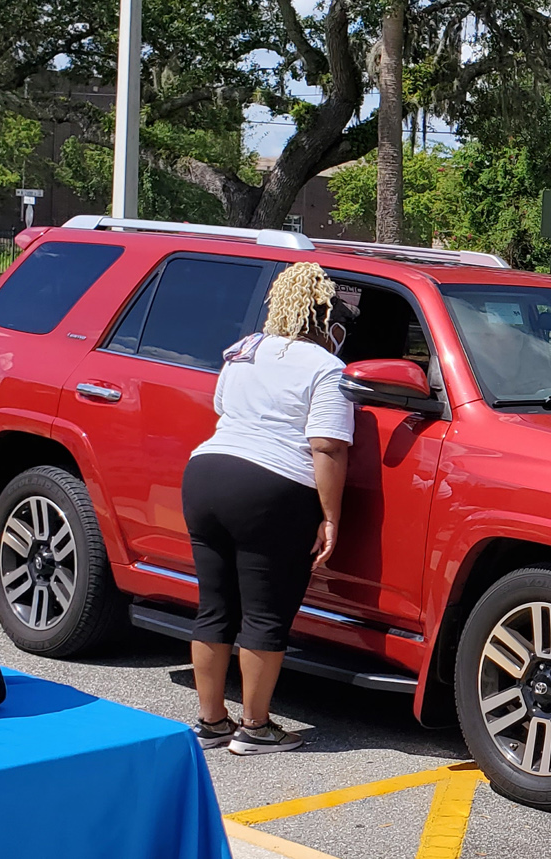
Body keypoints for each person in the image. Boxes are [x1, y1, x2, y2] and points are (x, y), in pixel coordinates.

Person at [184, 262, 355, 756]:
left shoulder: (242, 351)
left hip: (205, 473)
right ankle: (255, 728)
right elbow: (327, 447)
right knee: (265, 613)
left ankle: (212, 721)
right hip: (270, 487)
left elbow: (222, 408)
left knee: (215, 605)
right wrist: (330, 516)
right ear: (326, 315)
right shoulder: (327, 368)